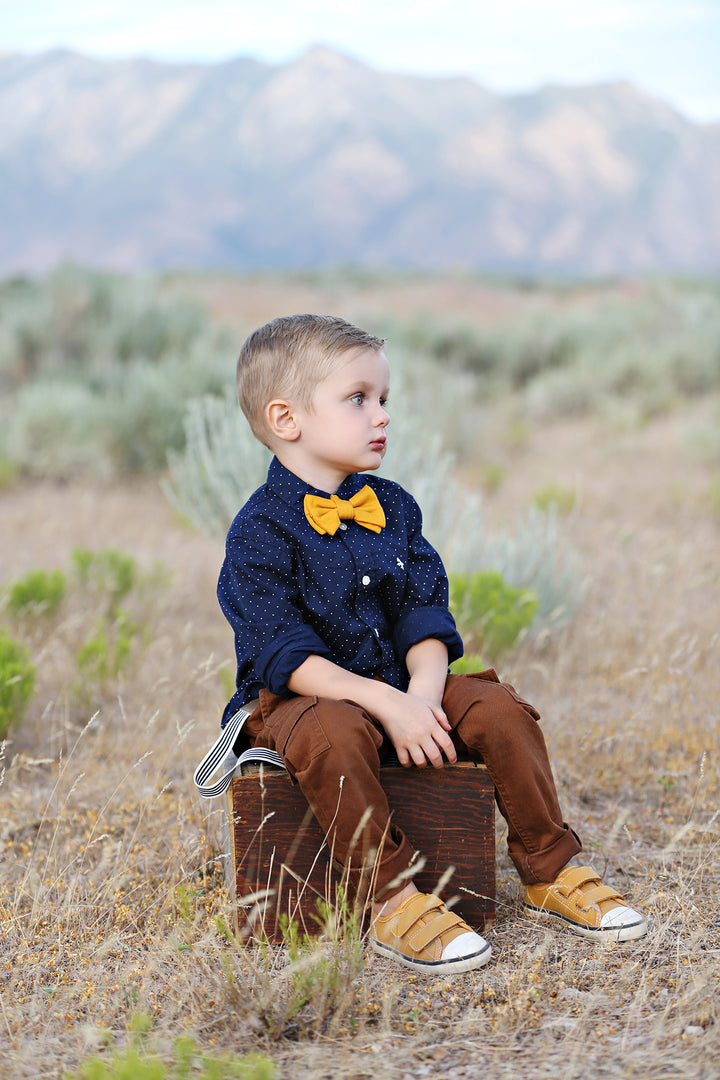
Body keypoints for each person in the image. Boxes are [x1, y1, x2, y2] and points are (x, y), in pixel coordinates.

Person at [217, 313, 647, 974]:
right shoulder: (258, 533)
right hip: (308, 699)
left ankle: (549, 869)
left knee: (499, 709)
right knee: (331, 733)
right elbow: (284, 653)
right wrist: (385, 706)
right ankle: (390, 900)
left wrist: (422, 696)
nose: (381, 415)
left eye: (383, 399)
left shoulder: (395, 506)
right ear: (286, 419)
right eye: (358, 399)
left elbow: (423, 612)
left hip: (400, 682)